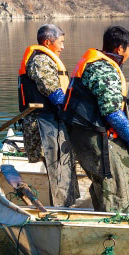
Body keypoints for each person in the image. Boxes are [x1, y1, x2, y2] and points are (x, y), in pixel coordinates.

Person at [62, 26, 129, 213]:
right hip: (95, 138)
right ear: (120, 49)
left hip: (82, 134)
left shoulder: (94, 63)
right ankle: (117, 226)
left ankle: (104, 218)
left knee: (103, 184)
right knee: (115, 188)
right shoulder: (104, 69)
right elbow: (112, 112)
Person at [17, 24, 80, 206]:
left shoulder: (46, 59)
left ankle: (64, 206)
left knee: (61, 168)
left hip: (50, 122)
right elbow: (54, 92)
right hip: (43, 125)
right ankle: (61, 211)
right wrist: (75, 113)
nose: (63, 47)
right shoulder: (41, 61)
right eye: (60, 42)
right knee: (57, 169)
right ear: (47, 42)